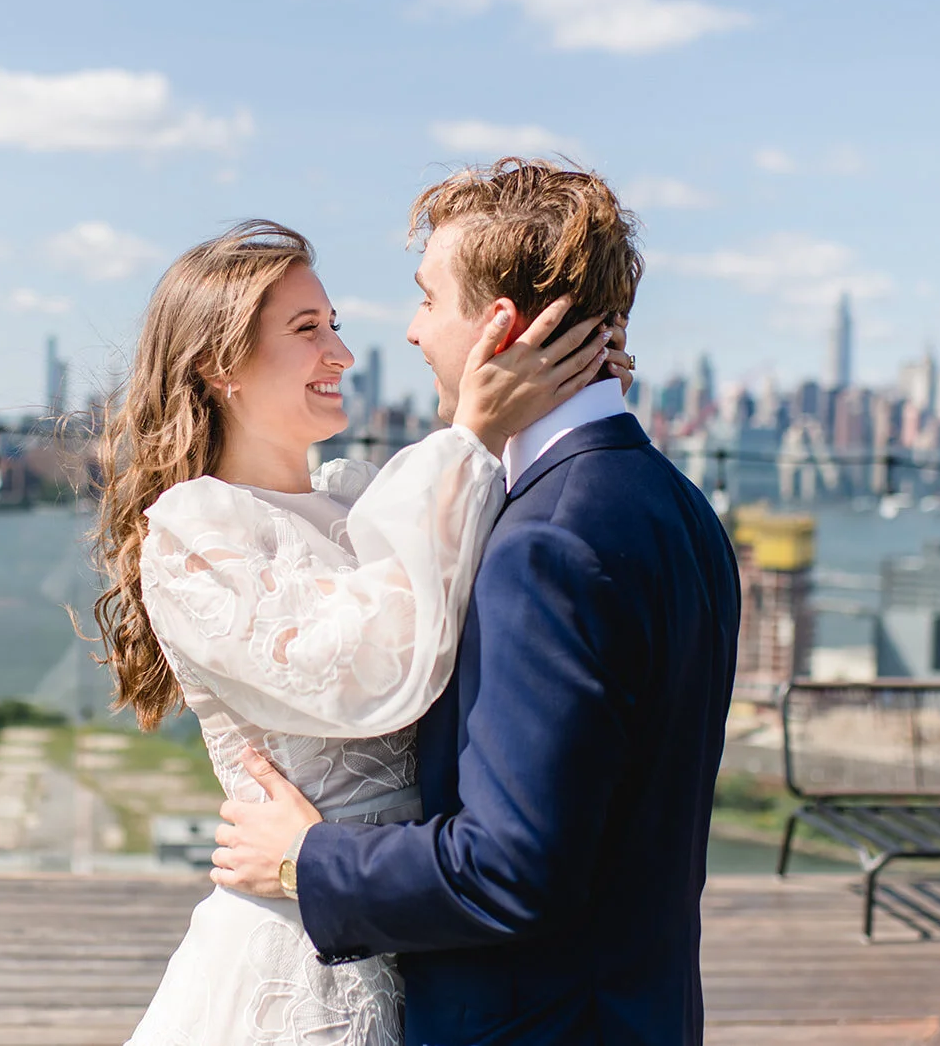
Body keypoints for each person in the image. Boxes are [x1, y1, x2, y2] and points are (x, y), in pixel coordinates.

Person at [212, 160, 741, 1045]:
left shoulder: (546, 541)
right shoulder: (677, 504)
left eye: (427, 298)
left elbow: (510, 865)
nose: (413, 332)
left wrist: (308, 859)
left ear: (497, 325)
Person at [88, 209, 632, 1045]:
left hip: (424, 939)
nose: (339, 352)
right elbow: (364, 674)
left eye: (333, 326)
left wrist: (565, 392)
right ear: (216, 365)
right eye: (307, 329)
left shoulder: (356, 495)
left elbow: (488, 596)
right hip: (298, 964)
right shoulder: (193, 533)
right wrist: (473, 434)